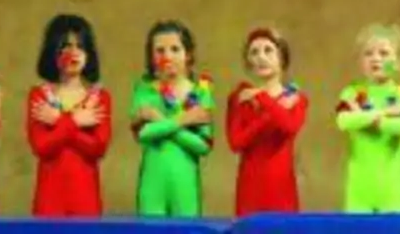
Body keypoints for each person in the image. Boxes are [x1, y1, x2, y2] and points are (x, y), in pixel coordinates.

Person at [26, 14, 111, 217]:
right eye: (65, 45)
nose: (73, 53)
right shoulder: (39, 96)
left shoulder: (100, 98)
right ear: (52, 51)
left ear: (88, 53)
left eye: (80, 46)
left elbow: (98, 148)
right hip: (49, 202)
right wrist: (74, 121)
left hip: (86, 201)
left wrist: (59, 121)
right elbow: (42, 146)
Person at [336, 24, 400, 213]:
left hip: (391, 190)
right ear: (360, 61)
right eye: (368, 53)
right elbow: (343, 121)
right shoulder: (351, 93)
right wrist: (384, 113)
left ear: (398, 61)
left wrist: (372, 120)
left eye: (383, 53)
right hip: (358, 190)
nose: (376, 58)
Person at [131, 20, 213, 217]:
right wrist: (183, 120)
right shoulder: (145, 89)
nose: (167, 56)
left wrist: (160, 121)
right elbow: (143, 134)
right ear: (151, 57)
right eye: (160, 50)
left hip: (185, 185)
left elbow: (202, 146)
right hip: (152, 184)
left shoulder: (201, 92)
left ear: (188, 54)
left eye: (175, 49)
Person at [227, 27, 307, 215]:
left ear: (282, 57)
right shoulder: (240, 98)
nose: (261, 57)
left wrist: (264, 99)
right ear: (248, 61)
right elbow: (236, 142)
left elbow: (289, 126)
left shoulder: (297, 99)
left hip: (282, 190)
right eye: (254, 52)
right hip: (249, 190)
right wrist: (267, 115)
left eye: (268, 50)